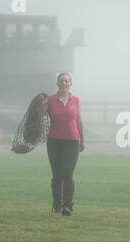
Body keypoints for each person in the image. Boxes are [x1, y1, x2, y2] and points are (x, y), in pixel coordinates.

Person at [47, 73, 84, 216]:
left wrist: (82, 140)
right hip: (54, 141)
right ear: (57, 83)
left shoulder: (75, 101)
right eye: (61, 81)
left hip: (72, 141)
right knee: (57, 174)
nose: (64, 83)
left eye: (66, 81)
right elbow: (41, 117)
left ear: (70, 84)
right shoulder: (50, 100)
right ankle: (57, 204)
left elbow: (79, 121)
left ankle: (68, 206)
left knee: (68, 173)